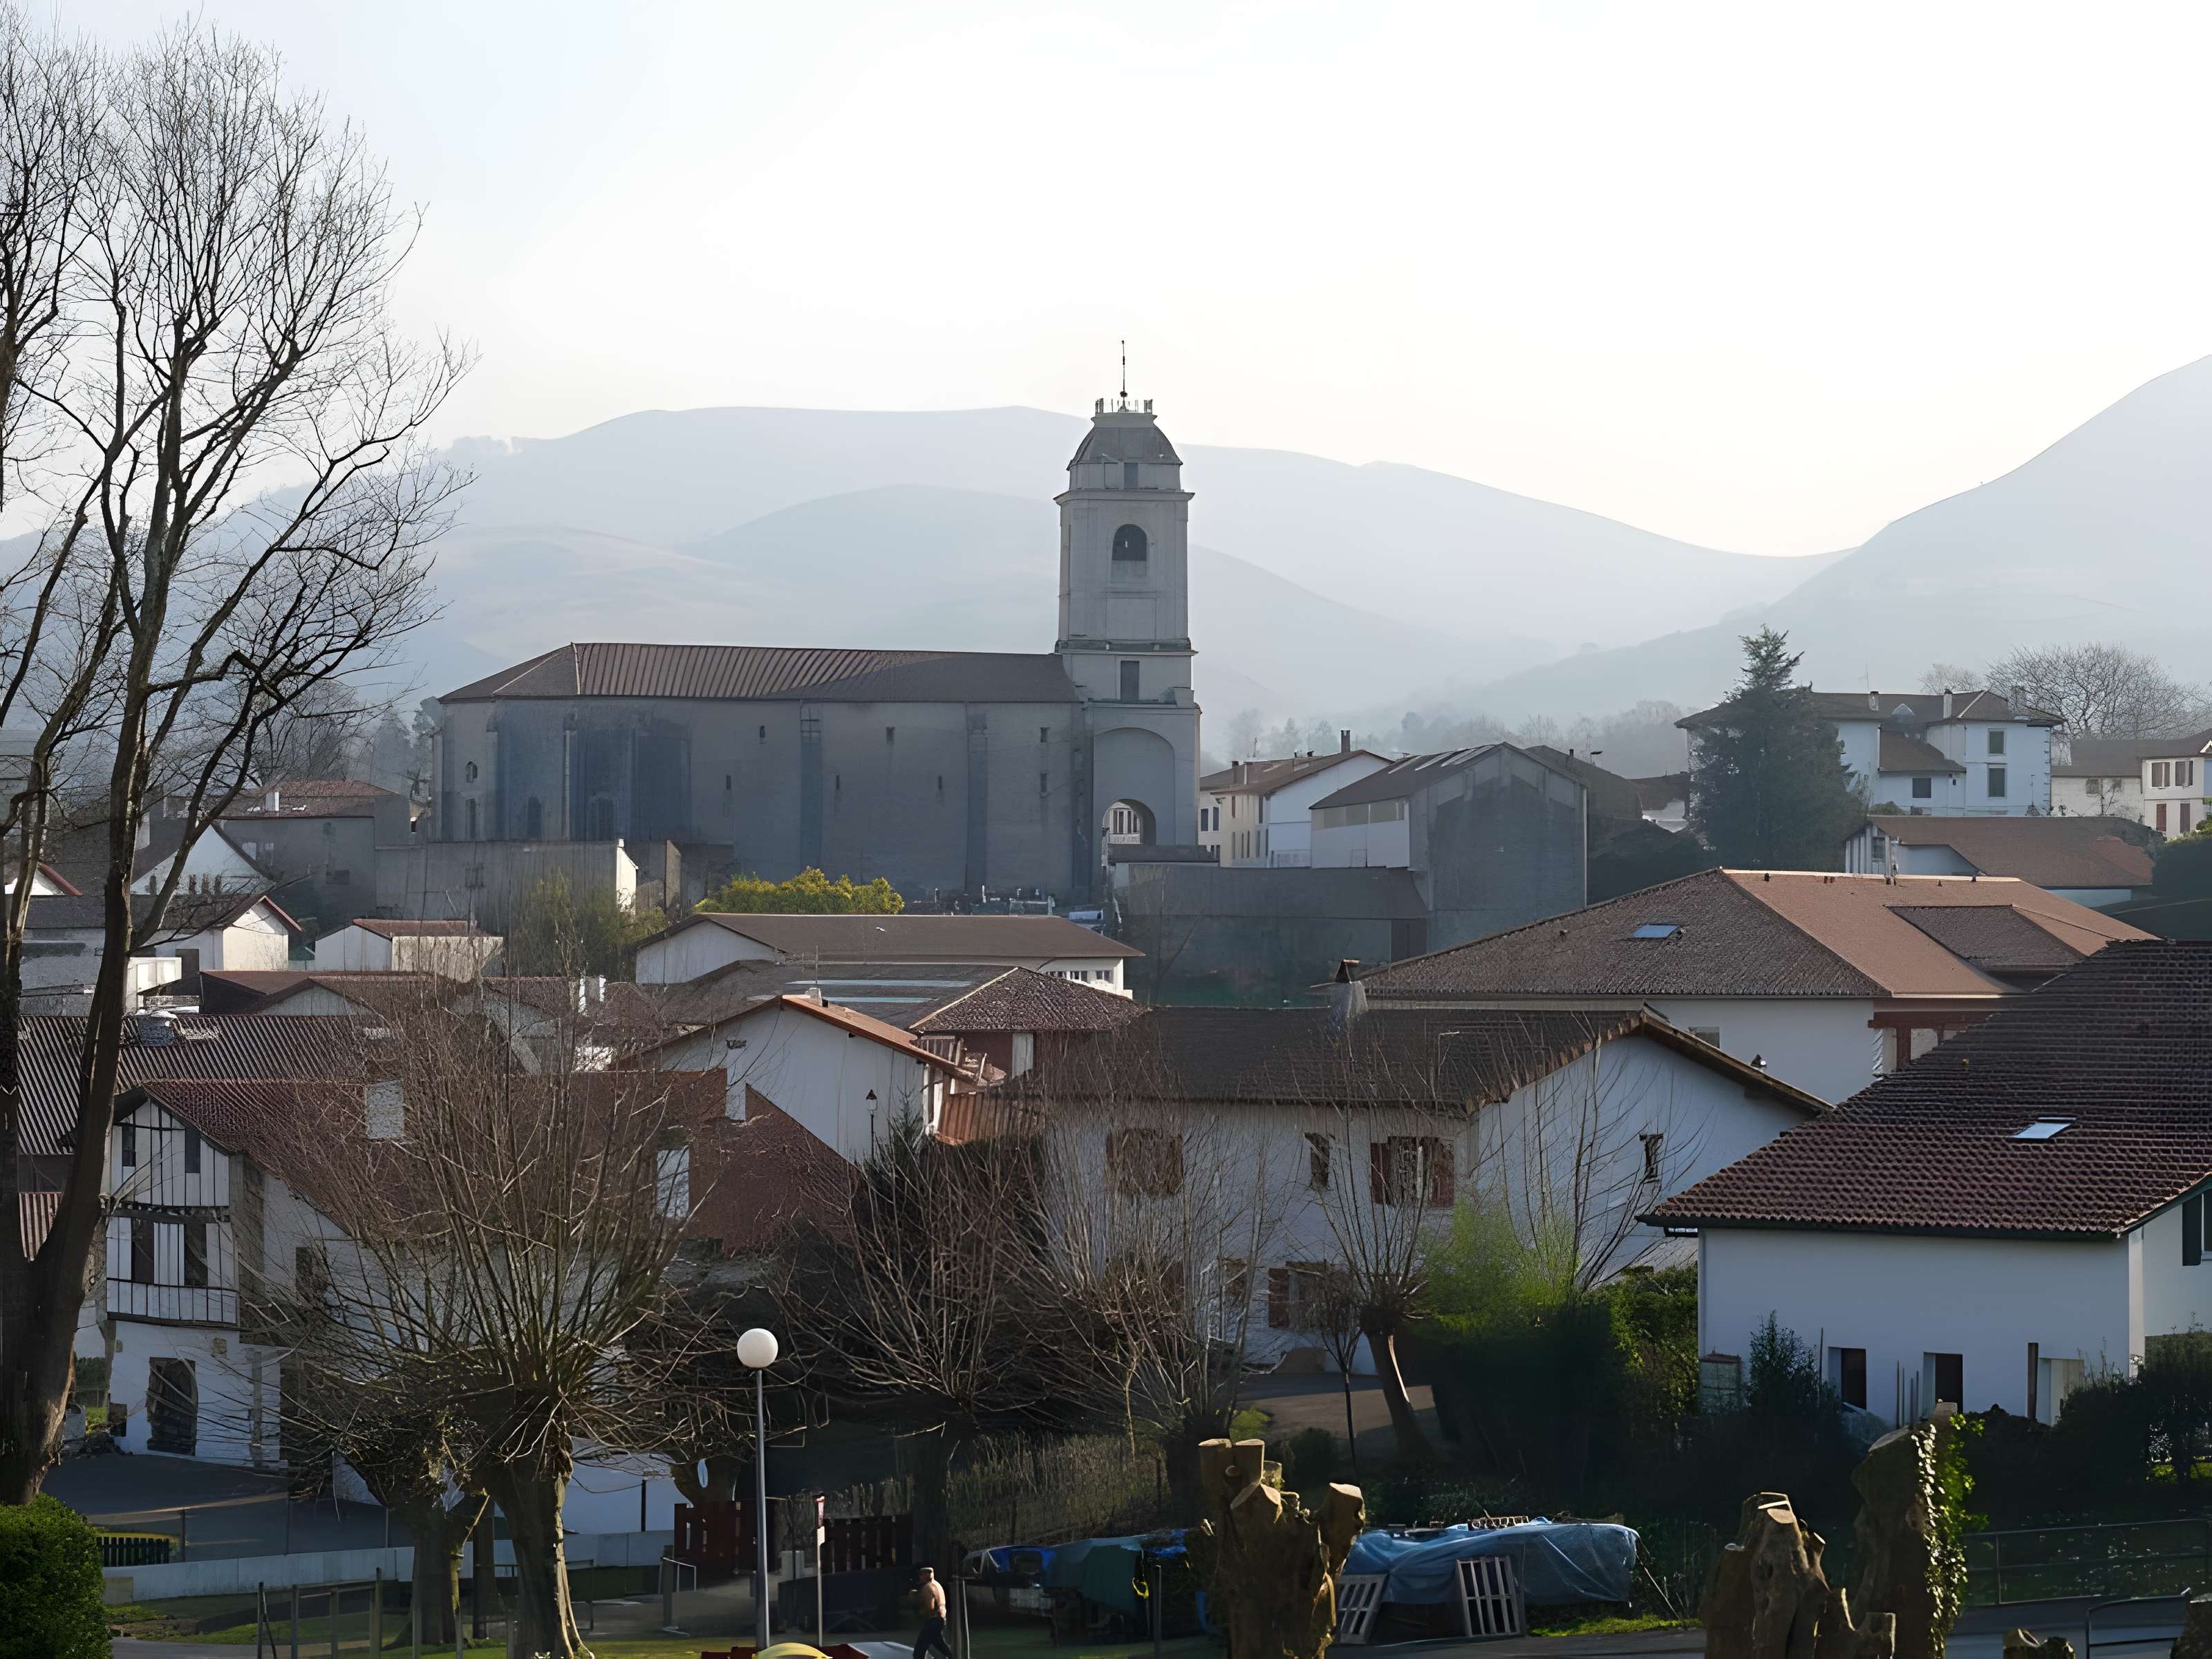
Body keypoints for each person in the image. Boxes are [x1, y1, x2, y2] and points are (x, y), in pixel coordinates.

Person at [914, 1566, 955, 1659]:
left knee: (919, 1651)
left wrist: (919, 1613)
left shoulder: (928, 1587)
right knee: (940, 1645)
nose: (920, 1577)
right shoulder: (938, 1585)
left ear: (927, 1575)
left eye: (921, 1575)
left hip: (933, 1621)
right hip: (941, 1620)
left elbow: (930, 1607)